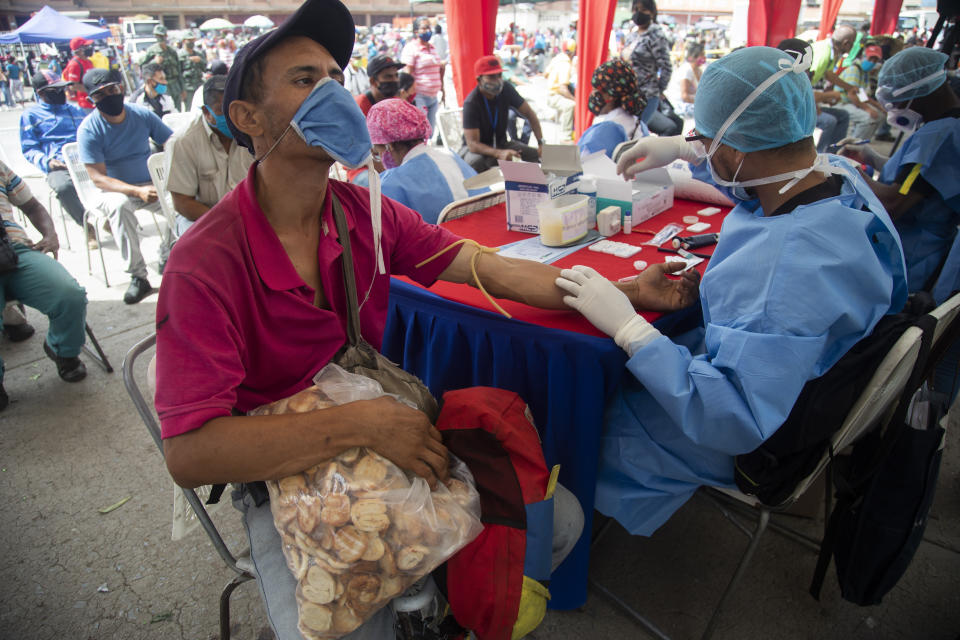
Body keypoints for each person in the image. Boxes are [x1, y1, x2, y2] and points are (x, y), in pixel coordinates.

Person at [154, 3, 698, 637]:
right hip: (278, 463)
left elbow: (492, 269)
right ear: (246, 118)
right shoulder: (205, 264)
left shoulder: (366, 211)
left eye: (335, 76)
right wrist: (361, 422)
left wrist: (626, 289)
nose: (331, 92)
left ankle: (446, 618)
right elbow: (190, 452)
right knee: (348, 624)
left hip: (384, 420)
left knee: (554, 524)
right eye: (304, 80)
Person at [578, 46, 908, 536]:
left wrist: (632, 331)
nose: (703, 151)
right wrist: (688, 150)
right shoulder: (837, 176)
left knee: (585, 416)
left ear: (734, 152)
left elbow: (729, 416)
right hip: (804, 375)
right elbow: (763, 177)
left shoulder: (783, 265)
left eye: (707, 143)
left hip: (750, 427)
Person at [839, 47, 960, 301]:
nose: (894, 109)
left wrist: (848, 171)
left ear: (918, 93)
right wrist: (872, 158)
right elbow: (917, 178)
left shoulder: (939, 138)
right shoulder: (944, 126)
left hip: (911, 255)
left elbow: (895, 201)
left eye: (895, 101)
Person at [76, 68, 174, 304]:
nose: (110, 96)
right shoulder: (89, 129)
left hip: (149, 184)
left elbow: (171, 141)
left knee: (179, 199)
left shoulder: (142, 115)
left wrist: (165, 176)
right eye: (101, 94)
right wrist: (135, 191)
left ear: (121, 88)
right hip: (112, 191)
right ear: (92, 100)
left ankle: (169, 255)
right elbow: (98, 178)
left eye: (113, 89)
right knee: (120, 207)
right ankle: (138, 276)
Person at [0, 159, 89, 411]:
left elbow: (32, 205)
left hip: (14, 248)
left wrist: (50, 234)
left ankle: (62, 349)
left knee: (69, 294)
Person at [367, 98, 484, 224]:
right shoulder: (450, 155)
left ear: (389, 146)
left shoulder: (390, 183)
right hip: (485, 236)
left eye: (377, 152)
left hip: (445, 243)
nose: (379, 157)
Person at [166, 74, 253, 235]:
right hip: (200, 217)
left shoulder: (251, 133)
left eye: (235, 109)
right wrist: (226, 222)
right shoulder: (183, 142)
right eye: (222, 110)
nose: (231, 116)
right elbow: (183, 203)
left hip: (246, 214)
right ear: (207, 112)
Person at [19, 71, 97, 247]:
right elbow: (29, 148)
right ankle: (87, 226)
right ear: (41, 93)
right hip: (58, 165)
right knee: (64, 187)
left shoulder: (76, 110)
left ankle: (106, 215)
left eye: (62, 88)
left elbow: (91, 134)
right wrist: (46, 162)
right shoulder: (31, 116)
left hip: (85, 160)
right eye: (55, 90)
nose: (61, 93)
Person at [461, 55, 543, 172]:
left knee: (533, 155)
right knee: (475, 162)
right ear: (479, 79)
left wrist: (541, 143)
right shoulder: (471, 102)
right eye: (491, 77)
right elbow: (473, 144)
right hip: (476, 150)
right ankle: (484, 189)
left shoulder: (506, 89)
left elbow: (530, 114)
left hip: (501, 144)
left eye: (499, 75)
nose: (497, 80)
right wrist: (499, 153)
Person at [777, 38, 852, 154]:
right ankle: (821, 154)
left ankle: (833, 153)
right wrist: (828, 96)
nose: (809, 69)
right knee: (829, 121)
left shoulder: (799, 74)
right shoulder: (783, 75)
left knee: (843, 115)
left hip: (805, 109)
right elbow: (801, 99)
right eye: (807, 66)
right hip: (792, 114)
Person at [579, 58, 650, 158]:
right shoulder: (639, 125)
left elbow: (579, 166)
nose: (592, 94)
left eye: (595, 89)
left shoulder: (607, 130)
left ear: (609, 96)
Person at [625, 0, 673, 132]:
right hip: (629, 93)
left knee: (637, 131)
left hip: (647, 95)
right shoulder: (632, 36)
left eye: (643, 9)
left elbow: (666, 66)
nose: (638, 13)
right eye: (636, 9)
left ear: (652, 12)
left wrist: (659, 89)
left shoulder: (656, 36)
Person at [400, 17, 445, 132]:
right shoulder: (411, 48)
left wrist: (442, 89)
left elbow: (439, 69)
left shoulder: (432, 48)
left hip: (433, 96)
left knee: (430, 131)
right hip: (419, 96)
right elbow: (407, 73)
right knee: (420, 130)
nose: (428, 31)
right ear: (416, 31)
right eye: (424, 28)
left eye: (429, 28)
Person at [835, 44, 885, 141]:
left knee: (880, 116)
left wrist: (879, 106)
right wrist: (868, 109)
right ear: (863, 57)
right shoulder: (854, 70)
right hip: (841, 103)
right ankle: (852, 147)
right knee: (868, 118)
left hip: (852, 103)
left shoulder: (864, 73)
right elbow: (852, 94)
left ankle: (862, 143)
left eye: (875, 61)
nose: (872, 63)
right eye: (870, 59)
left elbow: (862, 96)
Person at [140, 25, 186, 111]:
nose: (160, 38)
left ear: (166, 36)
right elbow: (144, 67)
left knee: (177, 110)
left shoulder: (172, 51)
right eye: (158, 36)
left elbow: (179, 70)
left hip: (175, 84)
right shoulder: (152, 50)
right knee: (165, 108)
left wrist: (182, 88)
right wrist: (154, 62)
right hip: (161, 84)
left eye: (161, 36)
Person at [544, 40, 576, 140]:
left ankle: (557, 117)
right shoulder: (565, 64)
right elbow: (563, 89)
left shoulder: (556, 59)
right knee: (571, 105)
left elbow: (545, 74)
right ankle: (566, 136)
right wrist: (574, 99)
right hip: (555, 96)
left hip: (551, 93)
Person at [668, 41, 704, 119]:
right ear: (695, 56)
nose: (704, 58)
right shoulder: (687, 70)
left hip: (691, 103)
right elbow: (685, 96)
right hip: (680, 105)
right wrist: (702, 102)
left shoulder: (699, 71)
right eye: (702, 55)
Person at [62, 38, 94, 110]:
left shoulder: (88, 61)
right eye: (86, 46)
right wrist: (92, 89)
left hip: (93, 101)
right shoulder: (74, 64)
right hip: (85, 104)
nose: (90, 48)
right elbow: (73, 86)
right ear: (79, 50)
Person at [179, 34, 207, 100]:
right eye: (189, 40)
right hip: (188, 87)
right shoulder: (180, 55)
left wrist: (200, 61)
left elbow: (205, 69)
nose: (191, 42)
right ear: (184, 41)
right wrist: (182, 89)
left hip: (199, 85)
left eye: (192, 40)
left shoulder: (198, 54)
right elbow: (178, 74)